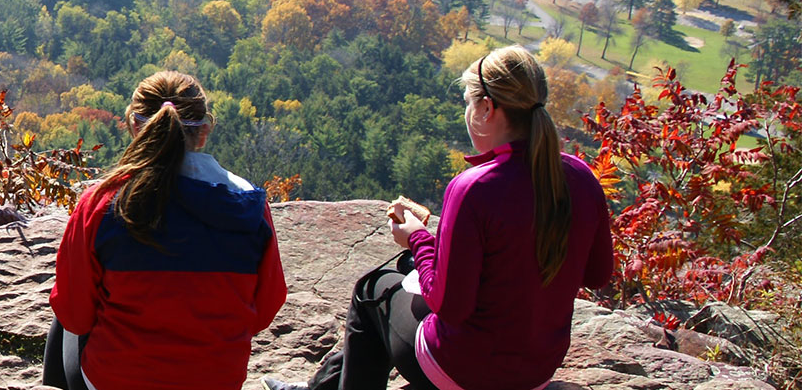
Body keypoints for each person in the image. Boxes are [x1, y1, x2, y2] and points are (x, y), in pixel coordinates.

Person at [263, 46, 615, 390]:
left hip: (461, 370)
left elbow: (448, 305)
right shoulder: (580, 176)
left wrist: (417, 237)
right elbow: (597, 275)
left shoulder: (474, 188)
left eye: (468, 103)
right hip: (536, 369)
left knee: (371, 291)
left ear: (487, 108)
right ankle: (320, 386)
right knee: (403, 270)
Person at [46, 70, 286, 390]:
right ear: (204, 131)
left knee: (62, 319)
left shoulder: (102, 203)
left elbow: (75, 314)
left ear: (134, 126)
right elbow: (265, 309)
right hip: (216, 382)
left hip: (116, 380)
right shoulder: (249, 204)